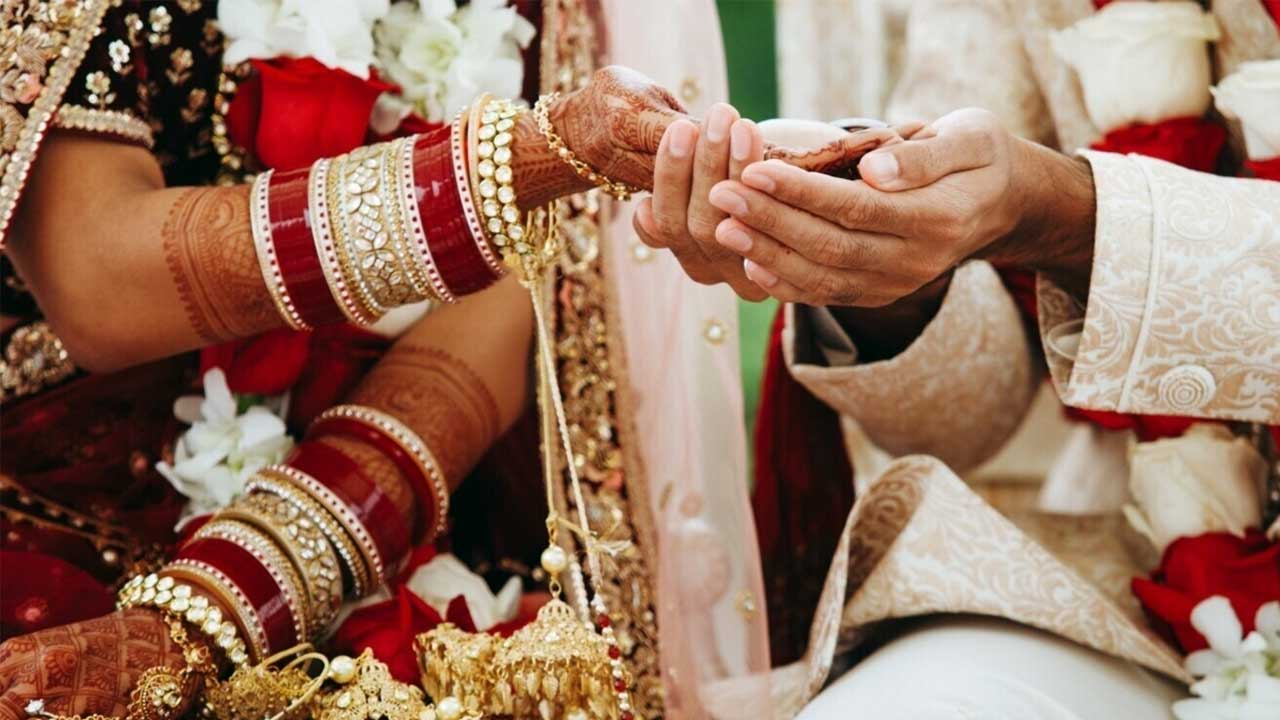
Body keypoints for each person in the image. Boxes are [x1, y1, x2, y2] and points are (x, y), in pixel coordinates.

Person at [0, 1, 853, 717]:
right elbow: (97, 280)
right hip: (45, 537)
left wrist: (219, 606)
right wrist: (533, 157)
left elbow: (500, 308)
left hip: (365, 545)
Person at [638, 0, 1280, 717]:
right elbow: (967, 421)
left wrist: (1067, 218)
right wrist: (881, 274)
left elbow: (1036, 206)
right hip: (1145, 578)